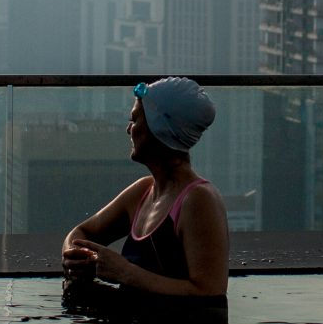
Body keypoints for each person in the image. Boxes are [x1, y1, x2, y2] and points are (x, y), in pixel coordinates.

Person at [60, 76, 230, 301]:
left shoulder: (198, 200)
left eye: (135, 120)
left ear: (157, 129)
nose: (128, 129)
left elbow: (210, 292)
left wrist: (124, 272)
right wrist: (75, 256)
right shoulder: (143, 192)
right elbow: (82, 233)